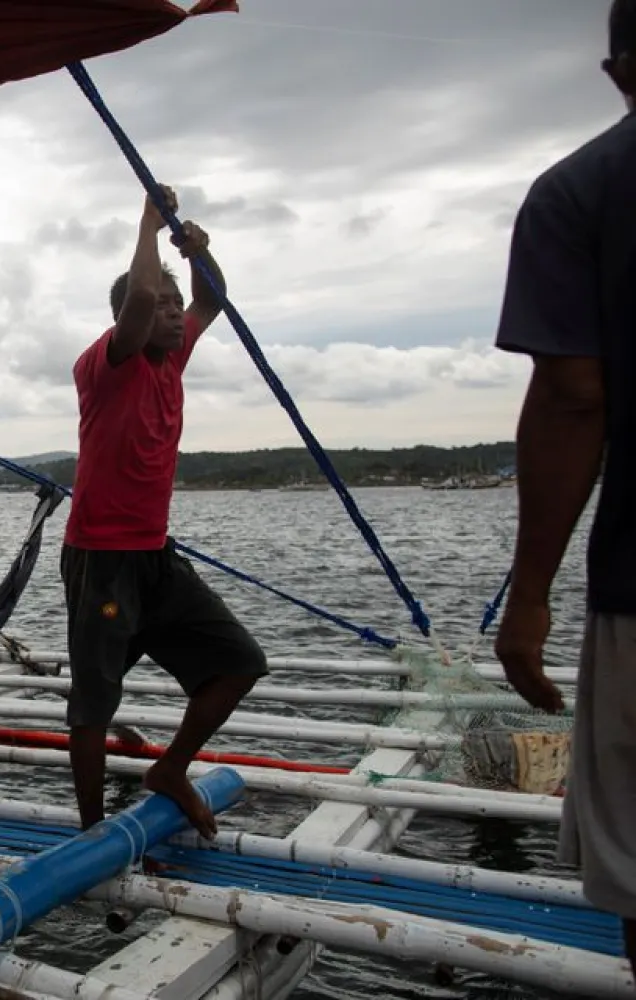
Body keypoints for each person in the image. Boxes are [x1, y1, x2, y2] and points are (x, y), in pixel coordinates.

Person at [493, 0, 636, 960]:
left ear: (619, 69)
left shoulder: (583, 189)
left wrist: (529, 595)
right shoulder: (119, 362)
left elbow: (574, 398)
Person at [62, 185, 268, 836]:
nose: (178, 316)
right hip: (101, 558)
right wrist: (149, 227)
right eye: (164, 307)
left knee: (239, 663)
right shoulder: (107, 363)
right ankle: (93, 829)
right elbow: (143, 296)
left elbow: (214, 298)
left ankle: (170, 768)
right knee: (95, 703)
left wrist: (200, 254)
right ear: (128, 318)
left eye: (178, 308)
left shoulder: (169, 357)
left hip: (153, 556)